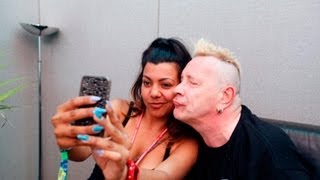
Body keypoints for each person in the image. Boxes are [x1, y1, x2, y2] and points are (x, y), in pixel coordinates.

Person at [51, 37, 199, 179]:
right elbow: (79, 153)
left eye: (165, 84)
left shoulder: (186, 143)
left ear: (181, 86)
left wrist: (125, 173)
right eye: (147, 83)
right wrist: (69, 141)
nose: (154, 93)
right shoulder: (120, 112)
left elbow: (165, 176)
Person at [173, 38, 315, 179]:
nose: (177, 89)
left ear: (225, 97)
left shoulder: (267, 147)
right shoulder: (190, 141)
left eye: (193, 83)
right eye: (181, 80)